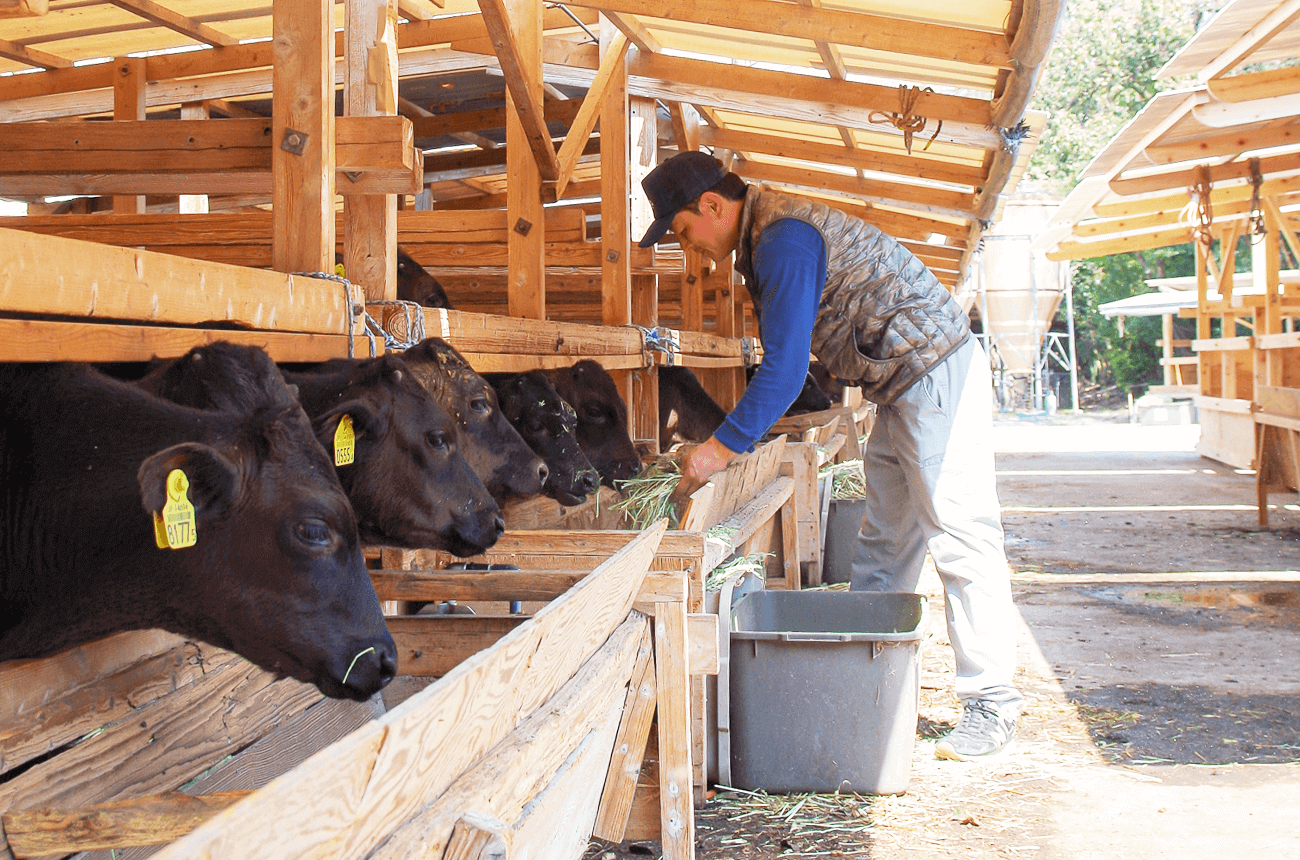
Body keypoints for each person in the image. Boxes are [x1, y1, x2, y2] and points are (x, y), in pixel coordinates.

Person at [640, 150, 1023, 760]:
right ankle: (864, 677)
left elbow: (787, 372)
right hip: (900, 382)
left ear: (712, 206)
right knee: (887, 538)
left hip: (934, 368)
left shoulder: (783, 241)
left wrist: (717, 450)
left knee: (957, 529)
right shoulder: (769, 238)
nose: (693, 251)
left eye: (686, 233)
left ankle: (992, 704)